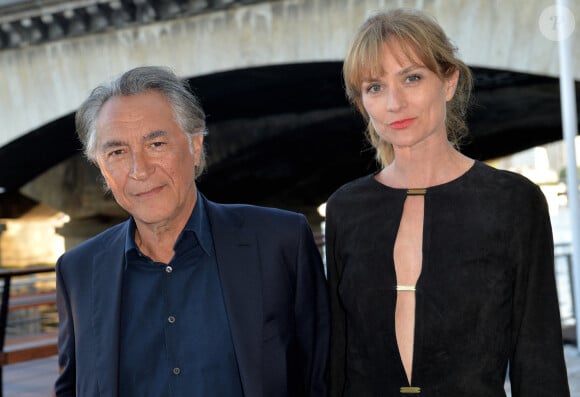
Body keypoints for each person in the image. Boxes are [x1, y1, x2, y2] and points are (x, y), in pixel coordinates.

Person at [325, 8, 570, 396]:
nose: (394, 103)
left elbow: (538, 362)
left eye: (412, 78)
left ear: (449, 81)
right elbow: (337, 360)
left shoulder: (512, 201)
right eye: (375, 87)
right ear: (362, 104)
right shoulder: (345, 208)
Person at [52, 65, 329, 397]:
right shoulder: (78, 270)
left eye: (156, 143)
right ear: (100, 166)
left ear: (195, 145)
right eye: (117, 152)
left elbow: (321, 379)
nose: (139, 170)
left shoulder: (279, 243)